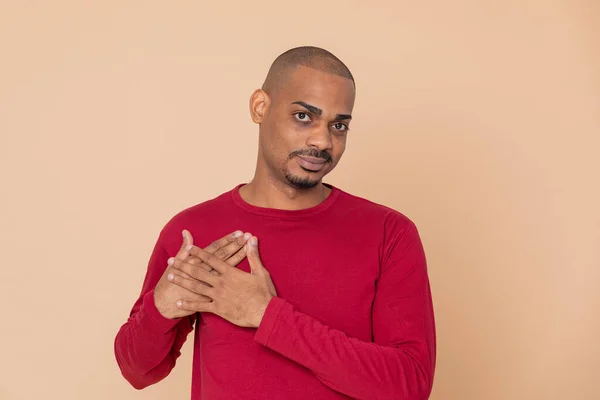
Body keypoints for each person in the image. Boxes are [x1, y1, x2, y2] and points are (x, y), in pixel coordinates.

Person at [114, 46, 436, 400]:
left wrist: (268, 316)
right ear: (260, 107)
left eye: (338, 125)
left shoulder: (389, 233)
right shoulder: (194, 230)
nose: (322, 141)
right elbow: (138, 371)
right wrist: (160, 308)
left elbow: (410, 386)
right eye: (303, 116)